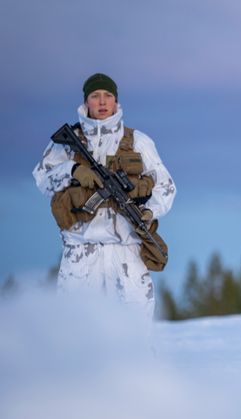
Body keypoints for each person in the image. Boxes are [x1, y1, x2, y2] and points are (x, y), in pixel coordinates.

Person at [32, 73, 176, 318]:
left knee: (135, 331)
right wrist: (72, 170)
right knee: (74, 330)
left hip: (127, 253)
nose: (102, 102)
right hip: (81, 253)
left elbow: (166, 186)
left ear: (116, 102)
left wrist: (151, 211)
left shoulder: (137, 142)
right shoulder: (67, 143)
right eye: (95, 96)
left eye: (108, 96)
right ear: (86, 101)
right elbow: (42, 180)